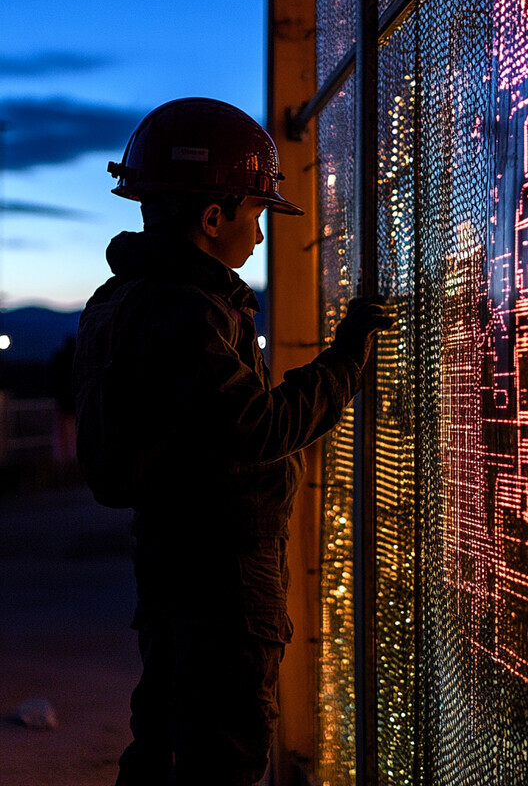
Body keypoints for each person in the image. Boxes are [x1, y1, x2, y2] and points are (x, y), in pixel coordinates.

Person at [72, 97, 391, 786]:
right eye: (255, 215)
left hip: (167, 556)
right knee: (226, 751)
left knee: (160, 736)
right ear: (212, 218)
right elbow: (259, 427)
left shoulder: (117, 300)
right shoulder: (189, 313)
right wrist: (347, 359)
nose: (259, 236)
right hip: (223, 575)